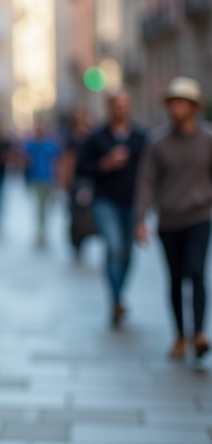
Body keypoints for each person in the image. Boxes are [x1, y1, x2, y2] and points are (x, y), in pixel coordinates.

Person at [135, 77, 212, 360]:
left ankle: (200, 333)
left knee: (196, 271)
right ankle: (180, 335)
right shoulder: (157, 142)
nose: (175, 108)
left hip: (199, 216)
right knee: (176, 279)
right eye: (172, 103)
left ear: (193, 107)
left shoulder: (208, 139)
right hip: (169, 220)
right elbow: (146, 182)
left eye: (181, 103)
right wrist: (141, 220)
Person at [77, 91, 146, 327]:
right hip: (105, 201)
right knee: (114, 247)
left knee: (127, 254)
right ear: (110, 108)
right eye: (117, 105)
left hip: (133, 203)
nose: (121, 109)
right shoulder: (96, 138)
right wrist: (104, 164)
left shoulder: (140, 137)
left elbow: (150, 174)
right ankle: (116, 300)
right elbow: (82, 168)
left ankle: (119, 295)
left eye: (125, 105)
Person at [62, 108, 96, 261]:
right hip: (76, 182)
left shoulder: (93, 136)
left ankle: (85, 238)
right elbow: (68, 161)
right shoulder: (72, 138)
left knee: (88, 214)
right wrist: (65, 182)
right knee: (75, 214)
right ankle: (76, 243)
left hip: (90, 180)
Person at [24, 125, 62, 246]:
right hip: (37, 179)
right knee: (40, 206)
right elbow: (25, 160)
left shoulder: (50, 146)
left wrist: (59, 180)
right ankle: (42, 232)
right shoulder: (31, 145)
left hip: (49, 179)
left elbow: (57, 162)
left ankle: (44, 229)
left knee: (47, 206)